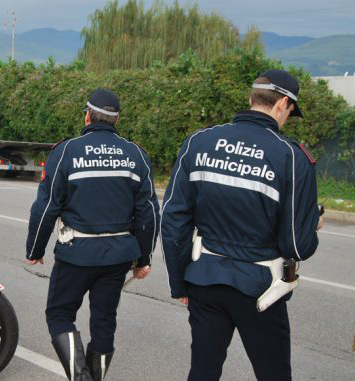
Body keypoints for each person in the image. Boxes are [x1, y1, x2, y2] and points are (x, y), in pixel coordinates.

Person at [160, 69, 323, 381]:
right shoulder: (291, 156)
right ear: (283, 104)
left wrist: (180, 283)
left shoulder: (198, 142)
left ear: (251, 99)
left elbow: (173, 220)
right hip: (260, 289)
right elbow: (297, 245)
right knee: (273, 374)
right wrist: (311, 225)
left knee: (203, 372)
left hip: (205, 280)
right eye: (290, 112)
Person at [26, 88, 160, 381]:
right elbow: (148, 212)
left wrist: (35, 250)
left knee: (59, 314)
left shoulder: (67, 151)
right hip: (117, 258)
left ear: (86, 116)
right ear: (117, 119)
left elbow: (46, 206)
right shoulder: (135, 154)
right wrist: (144, 258)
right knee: (104, 319)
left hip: (76, 254)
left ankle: (81, 378)